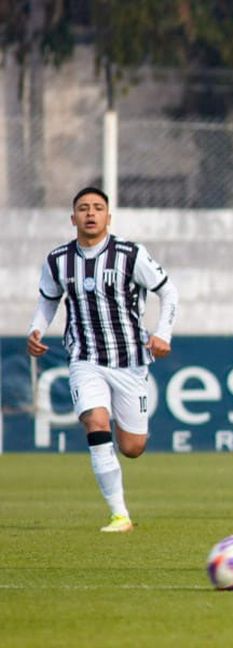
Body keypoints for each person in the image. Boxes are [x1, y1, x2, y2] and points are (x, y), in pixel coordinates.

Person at [27, 187, 179, 533]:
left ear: (108, 217)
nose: (90, 213)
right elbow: (48, 300)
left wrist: (163, 333)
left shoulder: (130, 254)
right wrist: (37, 329)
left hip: (129, 360)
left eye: (98, 208)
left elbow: (168, 291)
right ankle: (119, 514)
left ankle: (120, 488)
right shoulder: (58, 260)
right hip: (85, 357)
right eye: (83, 208)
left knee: (133, 447)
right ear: (73, 218)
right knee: (95, 423)